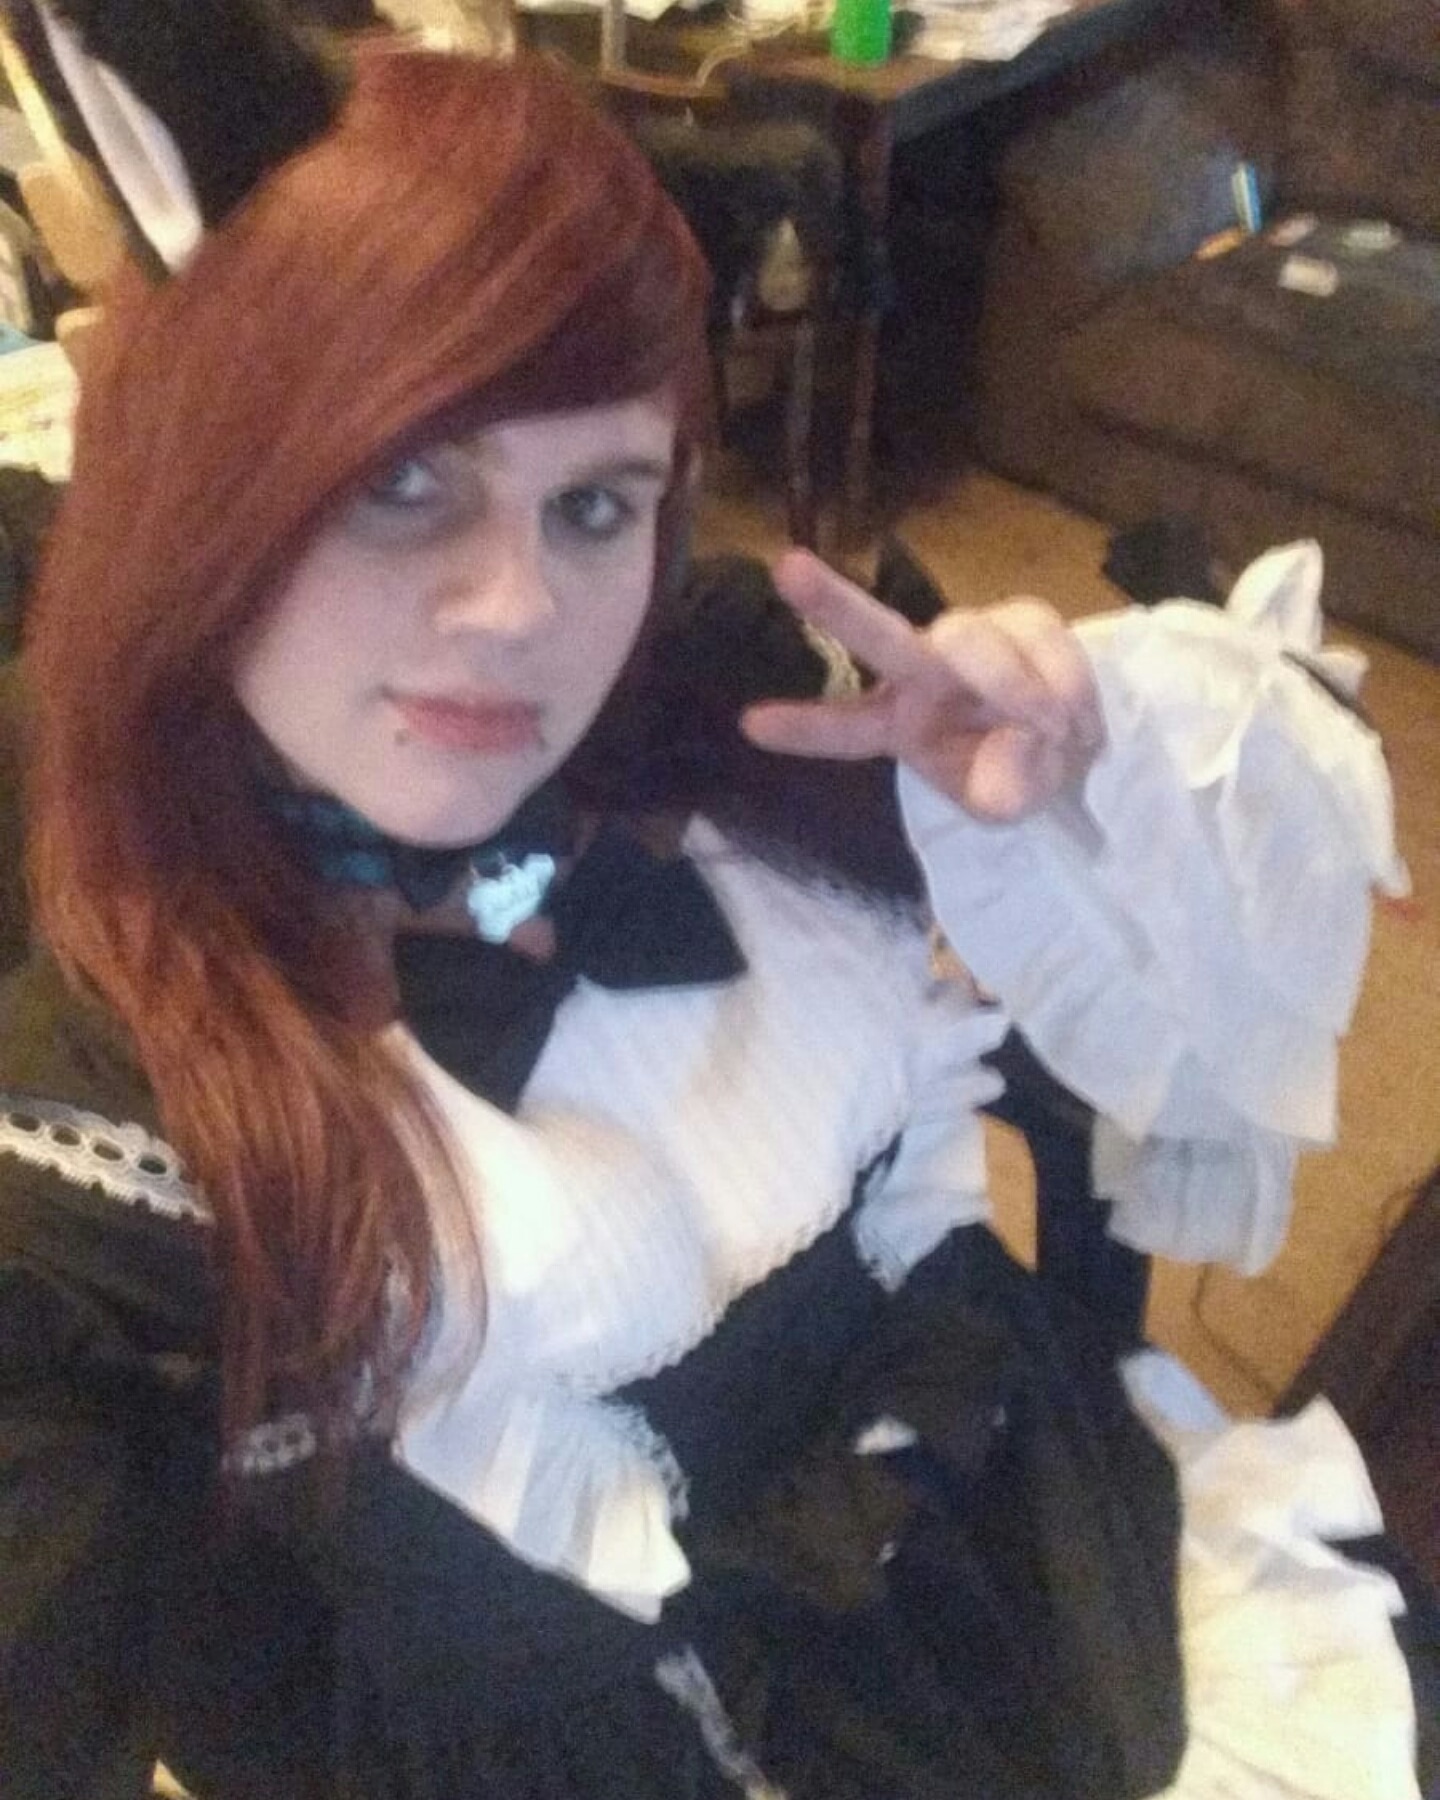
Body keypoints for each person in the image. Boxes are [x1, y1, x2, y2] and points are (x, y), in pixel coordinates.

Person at [0, 16, 1420, 1800]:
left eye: (594, 502)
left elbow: (1197, 942)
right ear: (194, 496)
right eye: (403, 478)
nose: (519, 608)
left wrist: (1070, 791)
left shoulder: (727, 708)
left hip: (1024, 1567)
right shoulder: (92, 1167)